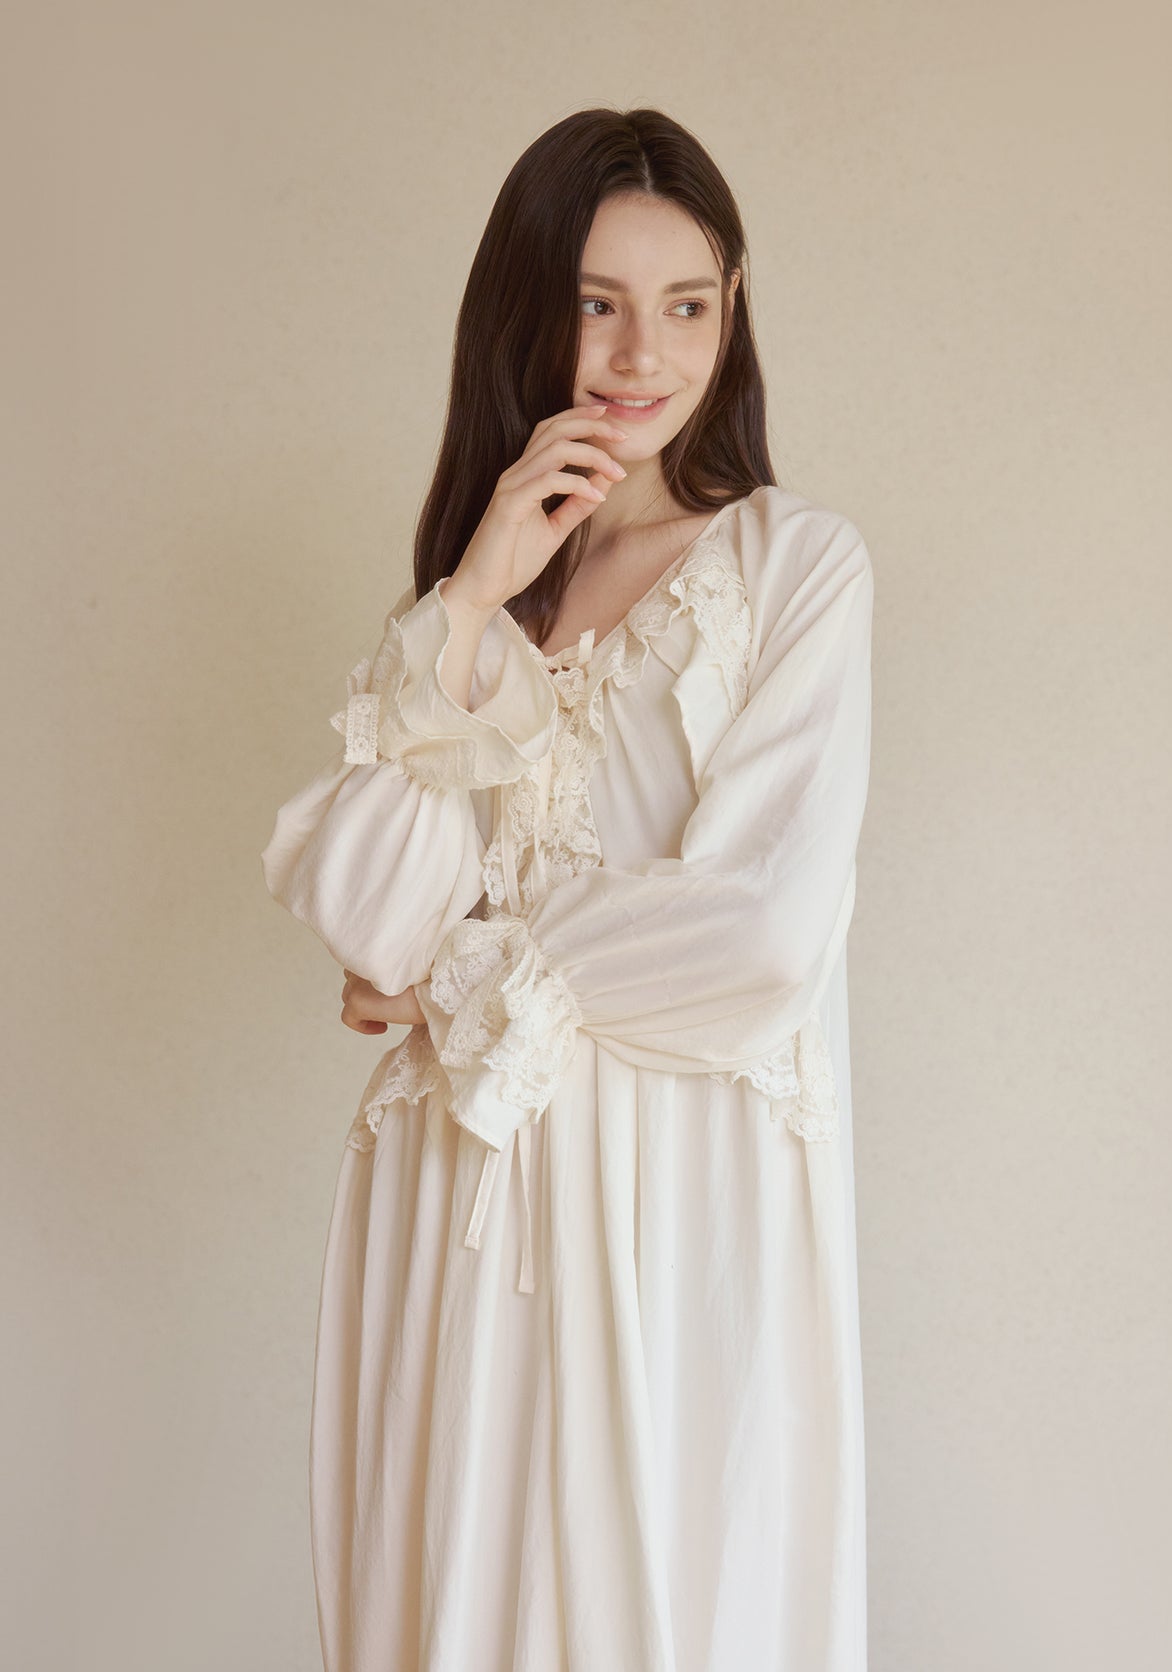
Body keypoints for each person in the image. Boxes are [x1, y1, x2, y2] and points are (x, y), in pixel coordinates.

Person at [261, 105, 874, 1672]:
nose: (640, 354)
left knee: (665, 1597)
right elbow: (365, 910)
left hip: (678, 1200)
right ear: (525, 309)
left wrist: (453, 977)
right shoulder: (470, 610)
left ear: (732, 313)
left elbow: (758, 935)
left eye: (686, 304)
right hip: (458, 1194)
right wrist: (472, 595)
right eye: (597, 302)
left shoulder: (794, 567)